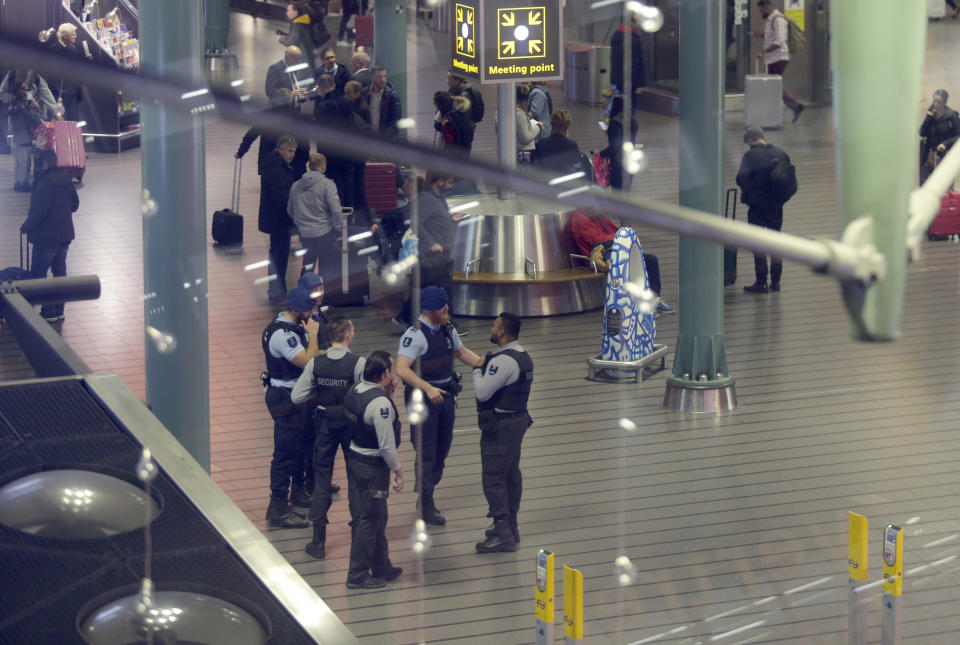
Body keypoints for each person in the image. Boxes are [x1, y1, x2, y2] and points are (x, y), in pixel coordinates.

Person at [396, 286, 482, 525]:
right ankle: (425, 501)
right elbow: (402, 369)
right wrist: (427, 388)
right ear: (434, 309)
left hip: (445, 397)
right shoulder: (414, 336)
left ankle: (428, 491)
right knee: (426, 451)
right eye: (444, 307)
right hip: (422, 399)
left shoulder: (447, 330)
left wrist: (486, 364)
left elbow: (462, 353)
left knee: (442, 449)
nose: (447, 309)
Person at [291, 315, 365, 559]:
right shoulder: (358, 363)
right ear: (347, 335)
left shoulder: (315, 364)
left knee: (322, 480)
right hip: (350, 425)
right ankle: (357, 535)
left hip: (324, 427)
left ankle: (318, 541)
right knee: (355, 478)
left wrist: (318, 398)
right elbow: (365, 396)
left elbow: (297, 397)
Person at [261, 286, 323, 529]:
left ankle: (297, 491)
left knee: (302, 445)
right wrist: (315, 334)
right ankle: (277, 508)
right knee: (285, 452)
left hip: (297, 395)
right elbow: (307, 361)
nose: (314, 313)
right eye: (311, 309)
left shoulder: (293, 326)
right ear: (299, 310)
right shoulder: (282, 334)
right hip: (285, 398)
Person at [472, 313, 534, 553]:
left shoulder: (503, 361)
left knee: (494, 479)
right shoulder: (523, 356)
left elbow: (482, 393)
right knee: (510, 473)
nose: (491, 328)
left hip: (501, 426)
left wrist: (478, 370)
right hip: (517, 421)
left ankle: (503, 533)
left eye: (494, 325)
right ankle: (511, 525)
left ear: (501, 332)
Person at [343, 350, 404, 589]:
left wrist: (388, 392)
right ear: (386, 372)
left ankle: (381, 566)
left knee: (375, 516)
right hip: (373, 468)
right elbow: (386, 445)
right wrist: (398, 470)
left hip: (355, 459)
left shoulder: (356, 391)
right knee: (370, 520)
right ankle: (357, 575)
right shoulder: (380, 405)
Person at [19, 149, 79, 323]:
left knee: (39, 274)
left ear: (44, 164)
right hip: (65, 235)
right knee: (60, 273)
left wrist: (26, 227)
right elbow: (75, 204)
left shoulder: (44, 183)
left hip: (46, 238)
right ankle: (58, 310)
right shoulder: (65, 180)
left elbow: (38, 213)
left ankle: (47, 310)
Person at [736, 126, 791, 293]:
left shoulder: (750, 155)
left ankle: (761, 282)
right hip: (776, 207)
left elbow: (740, 178)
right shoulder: (781, 153)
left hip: (757, 207)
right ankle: (776, 282)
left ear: (751, 140)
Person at [288, 152, 343, 287]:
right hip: (324, 232)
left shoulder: (296, 186)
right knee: (326, 267)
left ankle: (303, 296)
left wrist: (301, 224)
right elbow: (336, 210)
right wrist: (339, 228)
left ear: (309, 166)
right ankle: (327, 300)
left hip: (305, 233)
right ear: (323, 167)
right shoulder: (327, 185)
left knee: (307, 265)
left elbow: (290, 210)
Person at [259, 135, 300, 304]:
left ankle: (277, 289)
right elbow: (281, 196)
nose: (292, 155)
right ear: (281, 150)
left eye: (294, 151)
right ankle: (277, 290)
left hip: (274, 218)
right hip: (279, 219)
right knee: (278, 254)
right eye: (290, 151)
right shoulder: (277, 169)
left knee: (278, 253)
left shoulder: (274, 165)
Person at [236, 88, 310, 179]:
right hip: (292, 164)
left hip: (269, 162)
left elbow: (251, 135)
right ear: (288, 102)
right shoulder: (295, 117)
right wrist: (305, 158)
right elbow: (304, 142)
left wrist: (241, 152)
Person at [754, 0, 804, 123]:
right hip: (773, 58)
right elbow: (774, 36)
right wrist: (761, 35)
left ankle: (795, 106)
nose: (760, 13)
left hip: (778, 58)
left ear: (767, 7)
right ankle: (792, 107)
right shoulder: (771, 20)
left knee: (773, 86)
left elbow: (779, 42)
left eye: (761, 10)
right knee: (773, 86)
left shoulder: (778, 20)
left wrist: (763, 52)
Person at [48, 24, 92, 121]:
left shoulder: (73, 48)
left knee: (74, 121)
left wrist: (88, 61)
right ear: (65, 36)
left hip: (73, 92)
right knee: (61, 122)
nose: (75, 36)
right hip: (60, 93)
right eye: (73, 34)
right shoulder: (52, 51)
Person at [919, 89, 960, 184]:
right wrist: (928, 117)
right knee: (928, 184)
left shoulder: (952, 116)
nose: (936, 104)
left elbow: (958, 135)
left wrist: (945, 144)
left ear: (945, 102)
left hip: (945, 156)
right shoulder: (931, 114)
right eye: (934, 100)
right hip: (930, 157)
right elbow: (922, 133)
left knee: (945, 185)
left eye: (939, 101)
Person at [599, 96, 638, 191]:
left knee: (617, 194)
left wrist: (600, 153)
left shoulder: (614, 123)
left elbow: (615, 146)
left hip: (618, 166)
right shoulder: (633, 121)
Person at [8, 90, 43, 192]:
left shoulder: (13, 111)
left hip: (16, 140)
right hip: (25, 141)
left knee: (17, 163)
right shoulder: (25, 113)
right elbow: (36, 122)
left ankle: (18, 182)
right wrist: (36, 108)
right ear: (25, 101)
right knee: (25, 164)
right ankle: (23, 184)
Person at [497, 84, 541, 164]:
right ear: (524, 100)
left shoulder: (501, 110)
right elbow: (525, 138)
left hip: (506, 150)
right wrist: (538, 127)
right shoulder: (519, 114)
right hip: (522, 153)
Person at [534, 109, 585, 176]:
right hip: (565, 184)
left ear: (552, 124)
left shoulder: (540, 144)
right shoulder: (571, 145)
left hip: (545, 183)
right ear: (567, 125)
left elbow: (536, 168)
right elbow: (578, 169)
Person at [610, 15, 646, 99]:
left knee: (618, 106)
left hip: (617, 80)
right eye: (637, 21)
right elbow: (636, 63)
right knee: (629, 108)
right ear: (632, 23)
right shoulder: (633, 40)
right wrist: (639, 84)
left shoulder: (617, 35)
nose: (639, 23)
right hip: (630, 82)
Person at [362, 66, 403, 141]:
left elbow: (396, 121)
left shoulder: (392, 95)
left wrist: (386, 137)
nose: (383, 80)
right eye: (379, 77)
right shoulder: (365, 93)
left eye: (384, 76)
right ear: (372, 78)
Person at [279, 2, 317, 74]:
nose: (287, 13)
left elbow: (291, 42)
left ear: (296, 12)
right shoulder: (304, 21)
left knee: (303, 81)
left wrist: (281, 39)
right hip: (307, 56)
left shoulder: (298, 25)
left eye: (289, 10)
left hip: (302, 59)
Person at [433, 91, 474, 156]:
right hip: (466, 147)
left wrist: (442, 127)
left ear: (441, 104)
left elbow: (448, 138)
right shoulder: (460, 111)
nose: (434, 104)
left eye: (435, 103)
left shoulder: (448, 120)